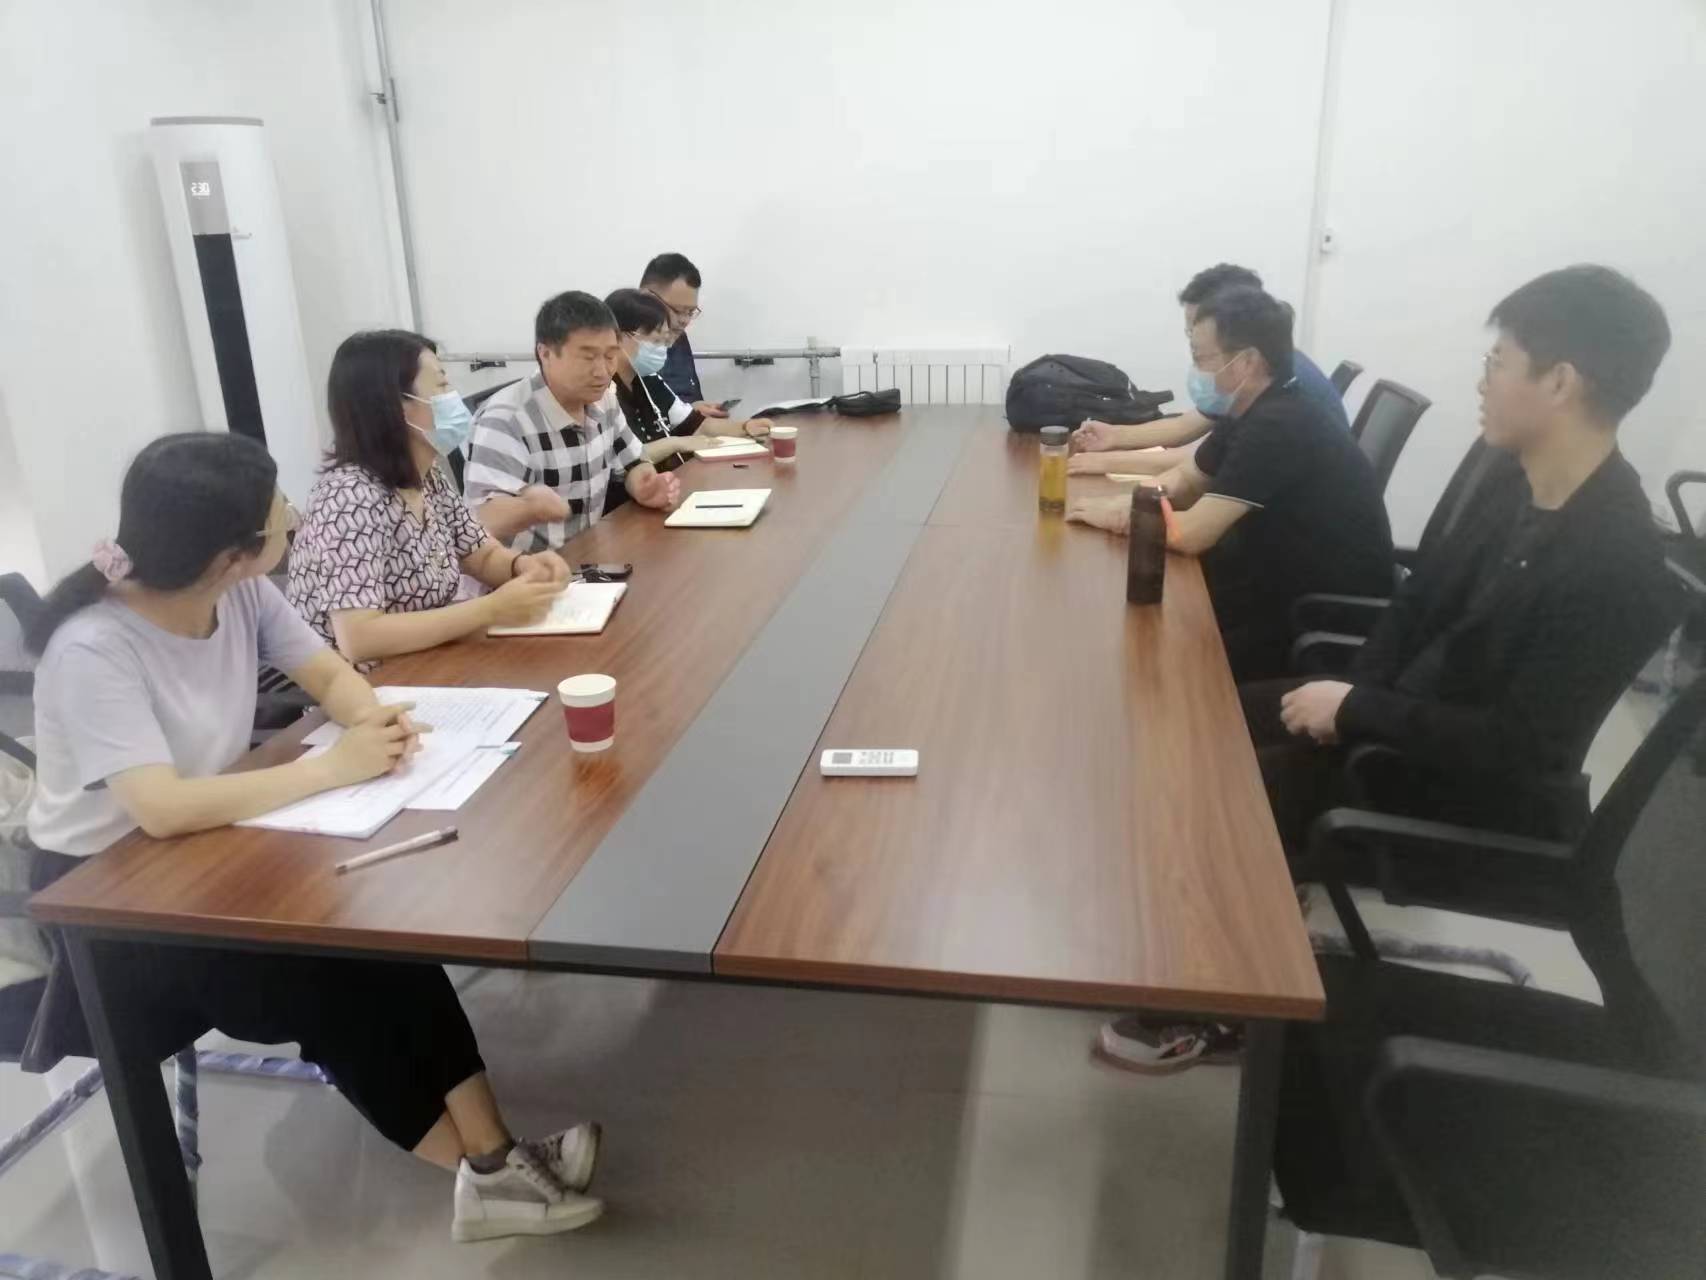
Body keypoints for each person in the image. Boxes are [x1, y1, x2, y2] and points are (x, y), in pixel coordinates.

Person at [1097, 265, 1682, 1074]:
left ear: (1560, 382)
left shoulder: (1614, 557)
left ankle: (1220, 1005)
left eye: (1498, 363)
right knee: (1193, 721)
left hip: (1455, 783)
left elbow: (1522, 747)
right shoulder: (1513, 480)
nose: (1483, 382)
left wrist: (1354, 713)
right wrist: (1351, 699)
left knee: (1218, 786)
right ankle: (1225, 928)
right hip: (1394, 722)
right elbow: (1413, 608)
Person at [24, 433, 604, 1239]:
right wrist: (335, 768)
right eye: (279, 512)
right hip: (108, 900)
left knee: (384, 929)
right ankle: (484, 1171)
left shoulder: (241, 594)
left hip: (215, 840)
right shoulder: (93, 648)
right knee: (325, 976)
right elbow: (158, 807)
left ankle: (495, 1156)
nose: (293, 517)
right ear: (229, 555)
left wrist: (373, 723)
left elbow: (328, 672)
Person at [1067, 286, 1394, 682]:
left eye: (1201, 358)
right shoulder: (1247, 408)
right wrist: (1128, 501)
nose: (1196, 370)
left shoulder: (1280, 424)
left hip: (1318, 613)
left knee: (1165, 662)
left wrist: (1118, 517)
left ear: (1247, 361)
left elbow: (1191, 534)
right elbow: (1188, 479)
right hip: (1270, 580)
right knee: (1144, 628)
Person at [287, 330, 570, 666]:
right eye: (442, 384)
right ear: (395, 406)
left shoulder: (428, 474)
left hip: (428, 660)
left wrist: (522, 566)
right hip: (365, 682)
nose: (454, 396)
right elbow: (358, 638)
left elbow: (480, 555)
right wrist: (491, 609)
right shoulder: (347, 497)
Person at [1067, 263, 1350, 478]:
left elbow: (1202, 462)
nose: (1193, 339)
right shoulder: (1257, 371)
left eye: (1198, 328)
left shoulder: (1279, 390)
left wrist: (1103, 462)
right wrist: (1114, 436)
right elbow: (1184, 428)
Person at [464, 291, 680, 553]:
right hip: (527, 570)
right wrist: (529, 508)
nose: (602, 371)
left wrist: (644, 485)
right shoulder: (504, 421)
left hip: (587, 556)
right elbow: (479, 522)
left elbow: (632, 460)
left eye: (610, 356)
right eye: (588, 357)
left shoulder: (604, 400)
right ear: (545, 353)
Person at [600, 289, 776, 515]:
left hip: (665, 493)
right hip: (623, 507)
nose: (661, 350)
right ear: (619, 337)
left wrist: (745, 427)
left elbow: (696, 424)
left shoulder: (648, 381)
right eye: (655, 341)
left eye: (664, 341)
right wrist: (677, 443)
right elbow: (623, 459)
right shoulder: (602, 391)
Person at [640, 251, 724, 417]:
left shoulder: (678, 337)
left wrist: (696, 408)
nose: (685, 321)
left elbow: (687, 399)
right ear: (647, 297)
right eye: (678, 310)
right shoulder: (619, 344)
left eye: (690, 312)